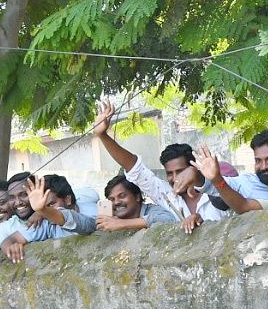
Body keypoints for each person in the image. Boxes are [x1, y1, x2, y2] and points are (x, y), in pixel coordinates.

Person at [91, 99, 229, 234]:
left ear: (194, 168)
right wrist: (102, 136)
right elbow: (133, 167)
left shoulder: (215, 191)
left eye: (180, 172)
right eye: (170, 173)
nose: (175, 178)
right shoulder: (167, 195)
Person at [0, 173, 96, 269]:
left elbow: (92, 195)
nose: (17, 202)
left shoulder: (65, 203)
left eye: (23, 195)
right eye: (11, 198)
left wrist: (43, 211)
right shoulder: (16, 226)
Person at [190, 129, 268, 214]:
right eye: (258, 161)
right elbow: (213, 185)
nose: (263, 167)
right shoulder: (247, 182)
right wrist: (196, 176)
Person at [97, 175, 180, 232]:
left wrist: (122, 224)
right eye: (111, 199)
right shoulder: (111, 219)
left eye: (122, 196)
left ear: (137, 197)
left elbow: (168, 219)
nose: (116, 202)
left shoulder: (151, 211)